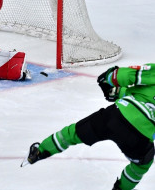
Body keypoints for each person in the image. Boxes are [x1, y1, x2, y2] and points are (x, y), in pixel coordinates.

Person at [22, 65, 155, 190]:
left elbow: (125, 76)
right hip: (139, 136)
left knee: (74, 133)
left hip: (116, 116)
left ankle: (40, 151)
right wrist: (119, 92)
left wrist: (109, 78)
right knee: (142, 164)